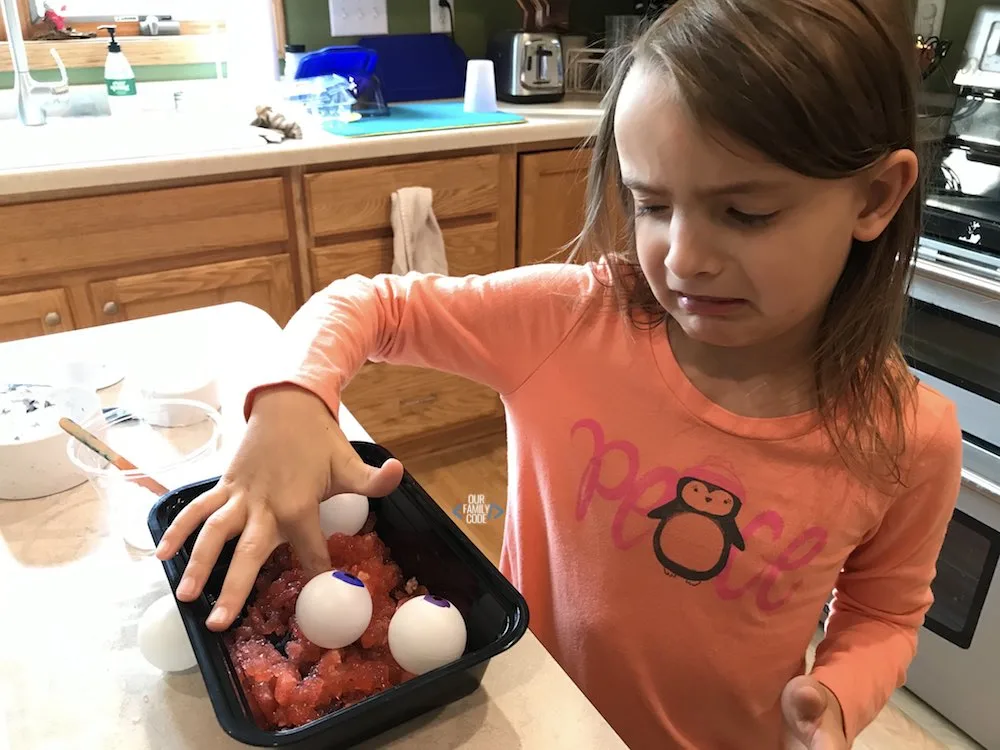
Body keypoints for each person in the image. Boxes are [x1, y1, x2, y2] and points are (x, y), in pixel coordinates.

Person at [155, 0, 964, 747]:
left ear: (875, 196)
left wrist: (840, 694)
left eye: (745, 213)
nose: (681, 257)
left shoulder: (909, 438)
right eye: (651, 204)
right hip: (534, 719)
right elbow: (372, 304)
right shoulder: (574, 320)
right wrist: (294, 401)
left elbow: (884, 613)